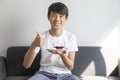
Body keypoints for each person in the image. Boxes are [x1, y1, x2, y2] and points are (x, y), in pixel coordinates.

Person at [23, 2, 80, 80]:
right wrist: (34, 45)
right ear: (48, 17)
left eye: (61, 16)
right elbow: (26, 65)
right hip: (44, 74)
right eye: (53, 15)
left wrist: (62, 55)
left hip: (66, 75)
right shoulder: (42, 37)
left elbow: (70, 66)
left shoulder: (71, 37)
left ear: (66, 18)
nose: (57, 19)